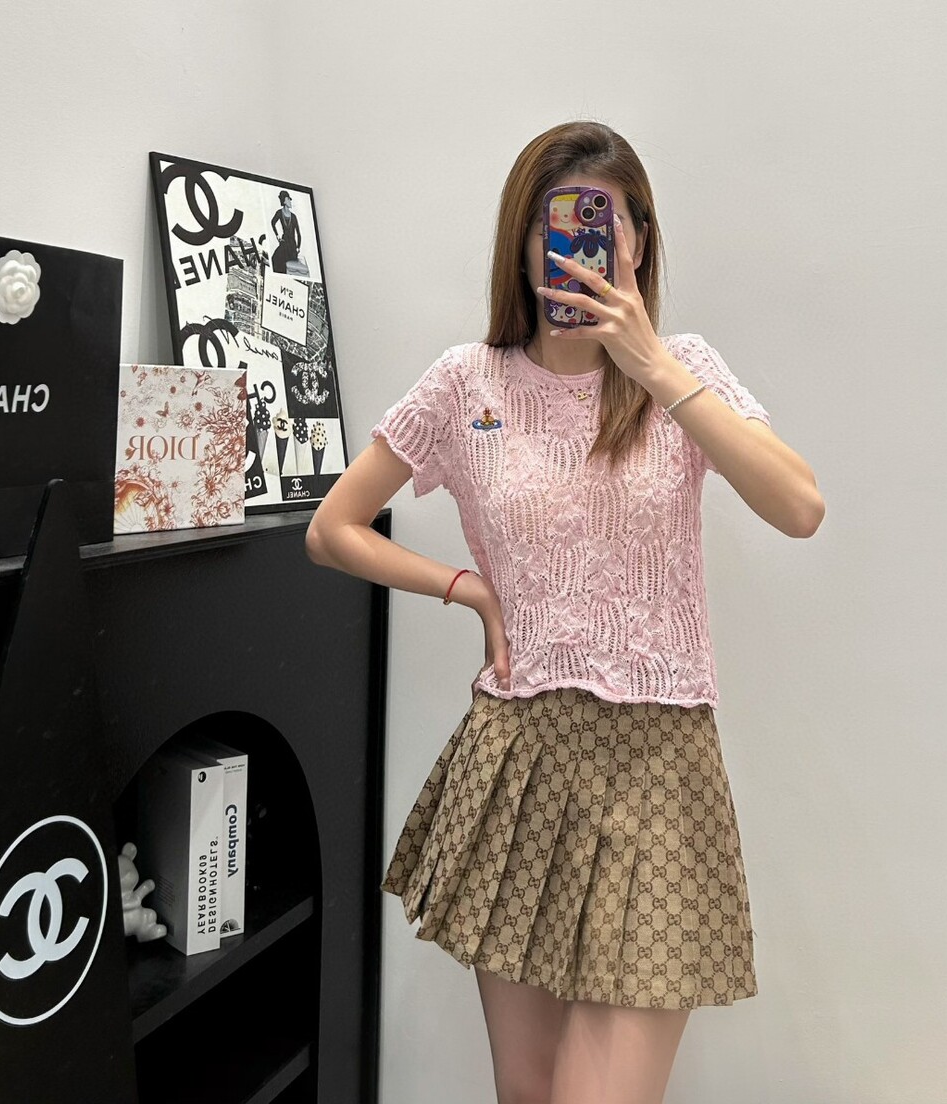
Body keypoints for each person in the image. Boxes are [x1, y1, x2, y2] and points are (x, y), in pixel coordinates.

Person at [305, 120, 825, 1104]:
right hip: (521, 760)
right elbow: (333, 529)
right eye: (556, 227)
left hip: (659, 769)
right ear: (523, 242)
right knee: (529, 1090)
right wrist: (467, 588)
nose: (577, 248)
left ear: (637, 242)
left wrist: (654, 367)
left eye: (601, 225)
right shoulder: (466, 382)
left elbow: (799, 507)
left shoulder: (684, 369)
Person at [270, 190, 303, 274]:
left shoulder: (293, 217)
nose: (290, 201)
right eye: (288, 199)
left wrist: (298, 247)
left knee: (281, 259)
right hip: (284, 243)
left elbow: (298, 234)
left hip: (292, 246)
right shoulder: (279, 213)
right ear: (284, 201)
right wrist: (277, 236)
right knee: (274, 258)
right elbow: (273, 222)